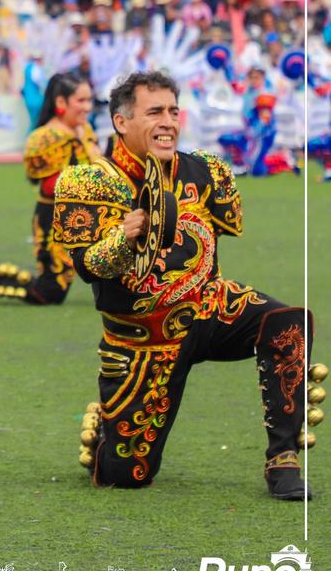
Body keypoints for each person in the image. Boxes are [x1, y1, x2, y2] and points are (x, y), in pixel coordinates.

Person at [52, 71, 315, 500]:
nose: (168, 122)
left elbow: (223, 228)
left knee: (288, 323)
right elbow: (87, 267)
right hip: (143, 340)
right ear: (121, 121)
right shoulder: (89, 181)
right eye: (155, 112)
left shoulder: (205, 170)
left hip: (211, 307)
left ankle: (282, 459)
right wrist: (124, 237)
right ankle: (107, 424)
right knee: (125, 476)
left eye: (173, 111)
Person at [0, 72, 101, 304]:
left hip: (92, 216)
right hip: (55, 220)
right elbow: (49, 186)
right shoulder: (43, 138)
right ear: (61, 102)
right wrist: (95, 182)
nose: (87, 107)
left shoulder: (86, 130)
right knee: (50, 292)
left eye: (89, 100)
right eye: (81, 101)